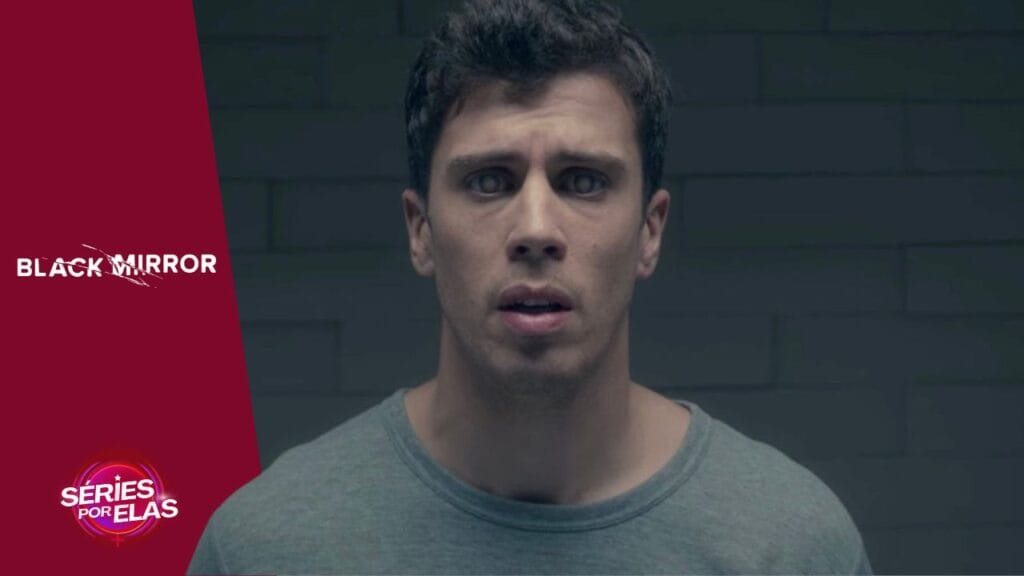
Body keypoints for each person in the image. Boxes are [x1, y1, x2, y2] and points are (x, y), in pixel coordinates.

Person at [189, 0, 873, 573]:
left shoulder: (791, 545)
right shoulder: (266, 548)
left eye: (584, 181)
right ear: (421, 230)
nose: (536, 229)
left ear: (650, 230)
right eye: (490, 180)